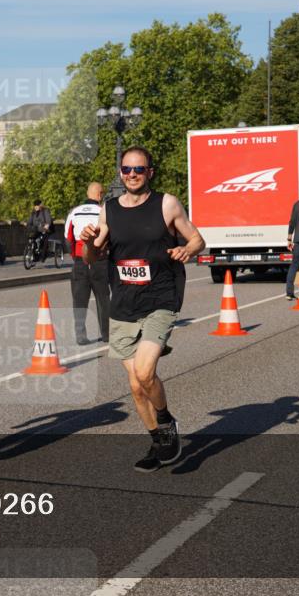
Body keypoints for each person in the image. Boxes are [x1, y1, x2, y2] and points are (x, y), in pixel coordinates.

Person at [80, 147, 205, 473]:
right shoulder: (109, 210)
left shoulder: (167, 203)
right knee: (136, 386)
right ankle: (157, 439)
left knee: (146, 372)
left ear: (150, 172)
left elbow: (197, 239)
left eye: (138, 169)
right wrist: (88, 243)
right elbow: (92, 258)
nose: (132, 174)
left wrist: (186, 248)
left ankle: (165, 421)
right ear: (121, 172)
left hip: (160, 300)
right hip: (122, 304)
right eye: (126, 168)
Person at [65, 182, 110, 345]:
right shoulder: (104, 212)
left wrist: (76, 257)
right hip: (100, 261)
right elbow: (110, 238)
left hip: (80, 261)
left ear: (87, 193)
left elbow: (68, 238)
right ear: (100, 195)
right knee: (103, 300)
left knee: (79, 300)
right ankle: (106, 335)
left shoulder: (74, 212)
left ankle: (81, 336)